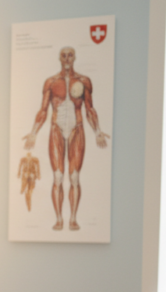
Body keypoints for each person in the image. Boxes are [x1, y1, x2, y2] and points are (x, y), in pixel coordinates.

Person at [23, 46, 110, 231]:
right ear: (59, 58)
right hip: (56, 128)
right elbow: (43, 110)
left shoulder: (84, 81)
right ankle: (58, 219)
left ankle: (73, 219)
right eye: (64, 55)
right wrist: (33, 133)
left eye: (70, 55)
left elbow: (90, 109)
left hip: (76, 129)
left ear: (75, 57)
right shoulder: (51, 82)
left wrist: (98, 131)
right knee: (57, 176)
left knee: (74, 177)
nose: (67, 58)